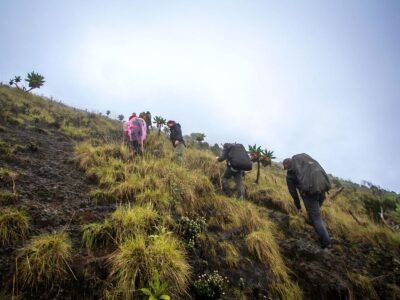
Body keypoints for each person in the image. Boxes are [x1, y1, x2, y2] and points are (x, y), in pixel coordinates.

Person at [283, 155, 332, 249]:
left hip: (309, 195)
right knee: (313, 216)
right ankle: (321, 236)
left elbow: (293, 193)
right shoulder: (304, 165)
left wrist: (298, 206)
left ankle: (327, 243)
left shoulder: (290, 175)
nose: (284, 169)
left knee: (316, 219)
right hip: (320, 190)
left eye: (284, 167)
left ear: (287, 164)